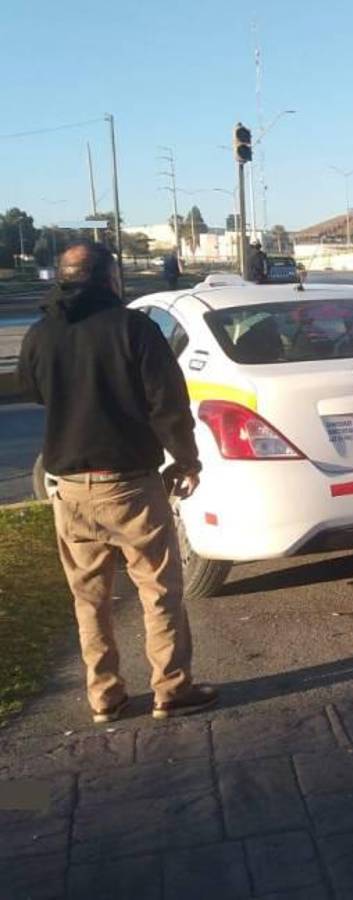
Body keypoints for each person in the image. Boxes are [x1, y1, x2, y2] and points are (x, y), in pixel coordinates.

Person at [17, 242, 217, 723]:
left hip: (68, 489)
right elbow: (168, 404)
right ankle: (171, 688)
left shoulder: (41, 333)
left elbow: (32, 389)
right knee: (158, 590)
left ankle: (105, 698)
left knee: (89, 599)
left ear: (62, 277)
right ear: (110, 279)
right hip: (130, 486)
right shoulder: (134, 329)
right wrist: (187, 461)